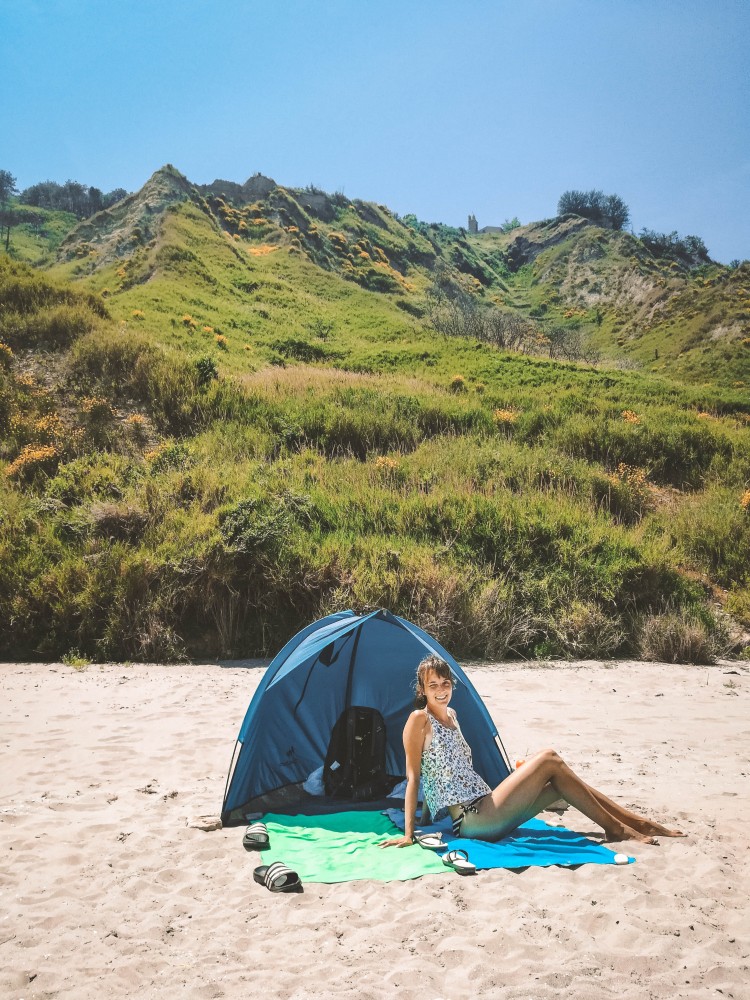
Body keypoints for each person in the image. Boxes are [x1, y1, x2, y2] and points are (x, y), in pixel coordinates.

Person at [379, 655, 684, 849]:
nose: (441, 690)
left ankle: (635, 823)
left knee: (561, 784)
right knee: (550, 758)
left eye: (446, 683)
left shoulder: (453, 715)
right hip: (473, 819)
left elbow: (443, 775)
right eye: (433, 685)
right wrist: (410, 833)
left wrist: (426, 817)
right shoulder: (418, 720)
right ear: (422, 689)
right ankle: (618, 828)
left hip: (485, 805)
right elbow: (415, 777)